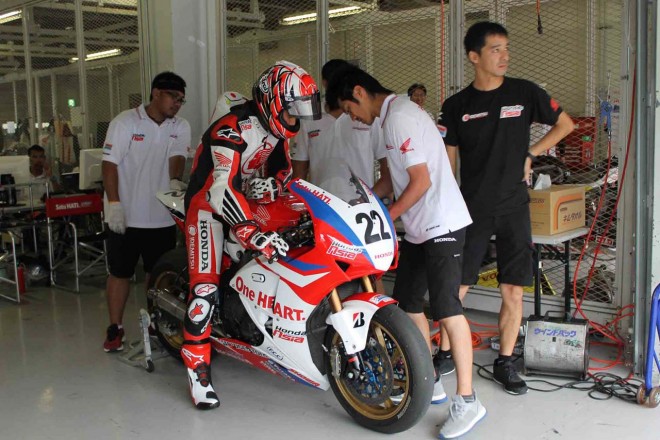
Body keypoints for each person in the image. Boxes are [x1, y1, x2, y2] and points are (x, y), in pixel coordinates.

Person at [328, 66, 486, 439]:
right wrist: (363, 203)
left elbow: (421, 181)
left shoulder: (399, 117)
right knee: (408, 303)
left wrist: (386, 217)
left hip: (442, 225)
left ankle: (468, 400)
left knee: (448, 310)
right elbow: (392, 179)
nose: (353, 117)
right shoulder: (390, 119)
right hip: (419, 229)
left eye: (350, 109)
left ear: (359, 92)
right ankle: (429, 379)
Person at [437, 21, 574, 395]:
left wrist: (532, 153)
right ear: (474, 56)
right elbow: (448, 165)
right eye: (496, 49)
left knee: (513, 290)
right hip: (472, 209)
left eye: (506, 48)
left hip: (514, 207)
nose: (505, 55)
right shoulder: (456, 106)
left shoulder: (524, 92)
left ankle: (505, 361)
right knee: (457, 287)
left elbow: (565, 124)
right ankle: (444, 352)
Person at [182, 60, 321, 410]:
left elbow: (283, 172)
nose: (295, 118)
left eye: (300, 110)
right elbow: (220, 188)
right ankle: (197, 368)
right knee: (203, 292)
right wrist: (250, 232)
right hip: (207, 207)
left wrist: (272, 185)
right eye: (291, 110)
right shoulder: (230, 129)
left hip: (242, 199)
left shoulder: (276, 130)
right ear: (273, 101)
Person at [102, 71, 191, 353]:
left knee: (157, 274)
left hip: (161, 217)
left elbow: (177, 155)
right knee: (120, 273)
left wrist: (175, 181)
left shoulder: (180, 125)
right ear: (156, 93)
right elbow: (109, 165)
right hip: (125, 216)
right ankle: (115, 328)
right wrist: (114, 204)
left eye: (181, 100)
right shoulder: (125, 122)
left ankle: (156, 324)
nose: (177, 104)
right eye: (173, 97)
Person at [292, 58, 391, 212]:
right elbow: (300, 167)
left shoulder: (369, 118)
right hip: (321, 207)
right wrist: (299, 204)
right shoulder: (310, 117)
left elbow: (386, 164)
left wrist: (384, 203)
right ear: (325, 83)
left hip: (363, 206)